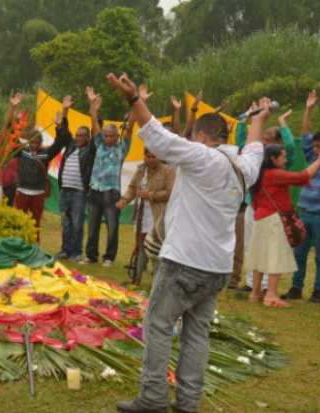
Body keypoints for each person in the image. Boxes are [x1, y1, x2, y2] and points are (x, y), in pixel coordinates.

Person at [107, 73, 263, 413]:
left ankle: (152, 397)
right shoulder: (244, 167)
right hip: (217, 268)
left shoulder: (202, 157)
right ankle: (189, 402)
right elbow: (255, 146)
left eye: (193, 137)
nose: (189, 141)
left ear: (202, 136)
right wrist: (257, 120)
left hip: (184, 262)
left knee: (159, 325)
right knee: (196, 333)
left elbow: (160, 139)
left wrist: (135, 99)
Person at [246, 144, 320, 307]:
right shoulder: (275, 174)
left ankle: (255, 293)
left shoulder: (260, 174)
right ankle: (271, 295)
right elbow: (302, 176)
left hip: (261, 217)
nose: (285, 159)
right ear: (273, 159)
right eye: (282, 157)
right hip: (275, 220)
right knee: (276, 256)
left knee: (260, 256)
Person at [235, 105, 298, 291]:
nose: (264, 142)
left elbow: (292, 148)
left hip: (272, 211)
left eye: (269, 140)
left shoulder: (284, 160)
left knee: (269, 247)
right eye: (264, 139)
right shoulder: (256, 159)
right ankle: (250, 283)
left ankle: (264, 286)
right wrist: (245, 118)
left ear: (278, 143)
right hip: (252, 205)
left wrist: (282, 124)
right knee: (250, 244)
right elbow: (241, 142)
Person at [282, 90, 320, 304]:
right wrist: (308, 109)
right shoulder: (311, 155)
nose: (314, 149)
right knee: (299, 252)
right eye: (313, 146)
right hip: (304, 210)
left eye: (318, 146)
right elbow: (305, 132)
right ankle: (296, 287)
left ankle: (318, 291)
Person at [83, 86, 131, 267]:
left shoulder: (122, 148)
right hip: (95, 189)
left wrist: (135, 103)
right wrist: (92, 106)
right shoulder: (99, 144)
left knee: (112, 227)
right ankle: (91, 255)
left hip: (112, 193)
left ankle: (109, 257)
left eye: (111, 136)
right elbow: (94, 124)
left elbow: (130, 127)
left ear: (117, 136)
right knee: (93, 226)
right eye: (106, 135)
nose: (108, 138)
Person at [14, 97, 69, 240]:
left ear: (41, 142)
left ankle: (34, 250)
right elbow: (11, 137)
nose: (34, 145)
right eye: (32, 142)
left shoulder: (46, 154)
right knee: (18, 223)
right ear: (28, 141)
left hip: (38, 193)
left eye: (37, 142)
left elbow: (60, 142)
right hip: (21, 191)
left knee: (35, 224)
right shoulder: (21, 150)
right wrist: (15, 117)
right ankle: (16, 247)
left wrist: (60, 122)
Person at [116, 148, 175, 279]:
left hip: (158, 214)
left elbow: (170, 192)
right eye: (148, 156)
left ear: (159, 157)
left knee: (155, 247)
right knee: (140, 245)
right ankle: (136, 277)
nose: (150, 159)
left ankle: (157, 278)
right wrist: (124, 200)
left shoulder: (168, 171)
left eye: (154, 156)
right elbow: (132, 188)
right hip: (141, 213)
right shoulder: (141, 169)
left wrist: (150, 195)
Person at [56, 100, 96, 262]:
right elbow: (64, 131)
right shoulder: (71, 145)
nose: (78, 138)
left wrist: (93, 108)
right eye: (77, 135)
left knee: (77, 223)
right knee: (66, 223)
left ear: (88, 138)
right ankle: (65, 250)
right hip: (65, 190)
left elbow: (96, 134)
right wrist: (65, 110)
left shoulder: (90, 149)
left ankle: (76, 253)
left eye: (82, 136)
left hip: (79, 192)